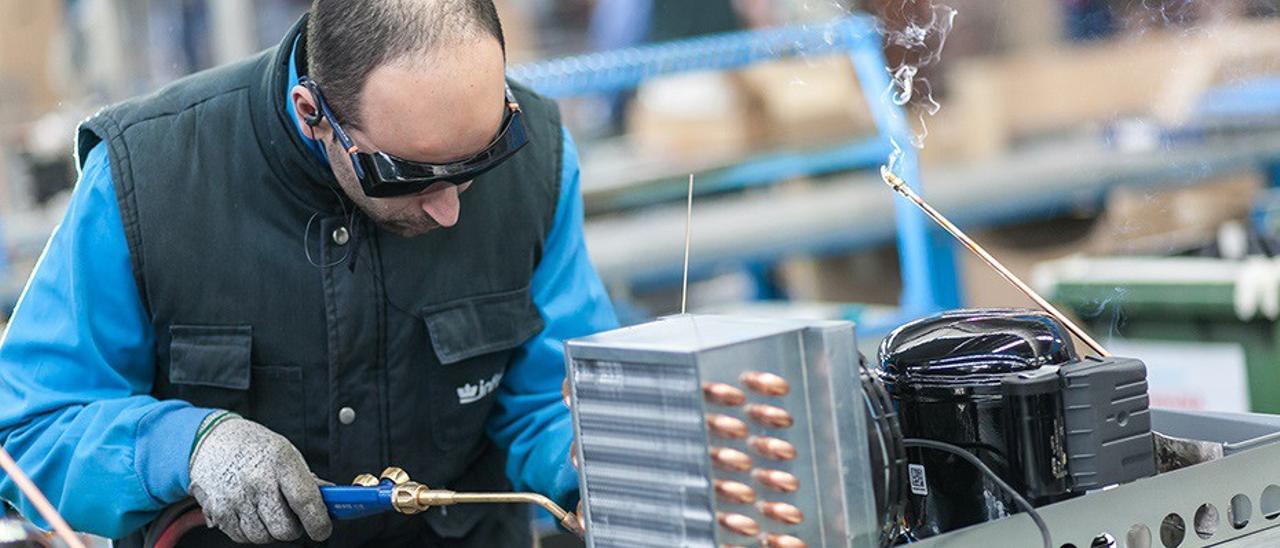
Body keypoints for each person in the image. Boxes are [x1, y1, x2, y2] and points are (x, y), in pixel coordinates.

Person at [0, 1, 616, 546]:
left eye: (483, 159)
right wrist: (186, 447)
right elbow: (26, 431)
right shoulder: (148, 177)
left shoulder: (541, 164)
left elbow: (551, 399)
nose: (449, 208)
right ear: (312, 111)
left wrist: (602, 471)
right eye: (409, 176)